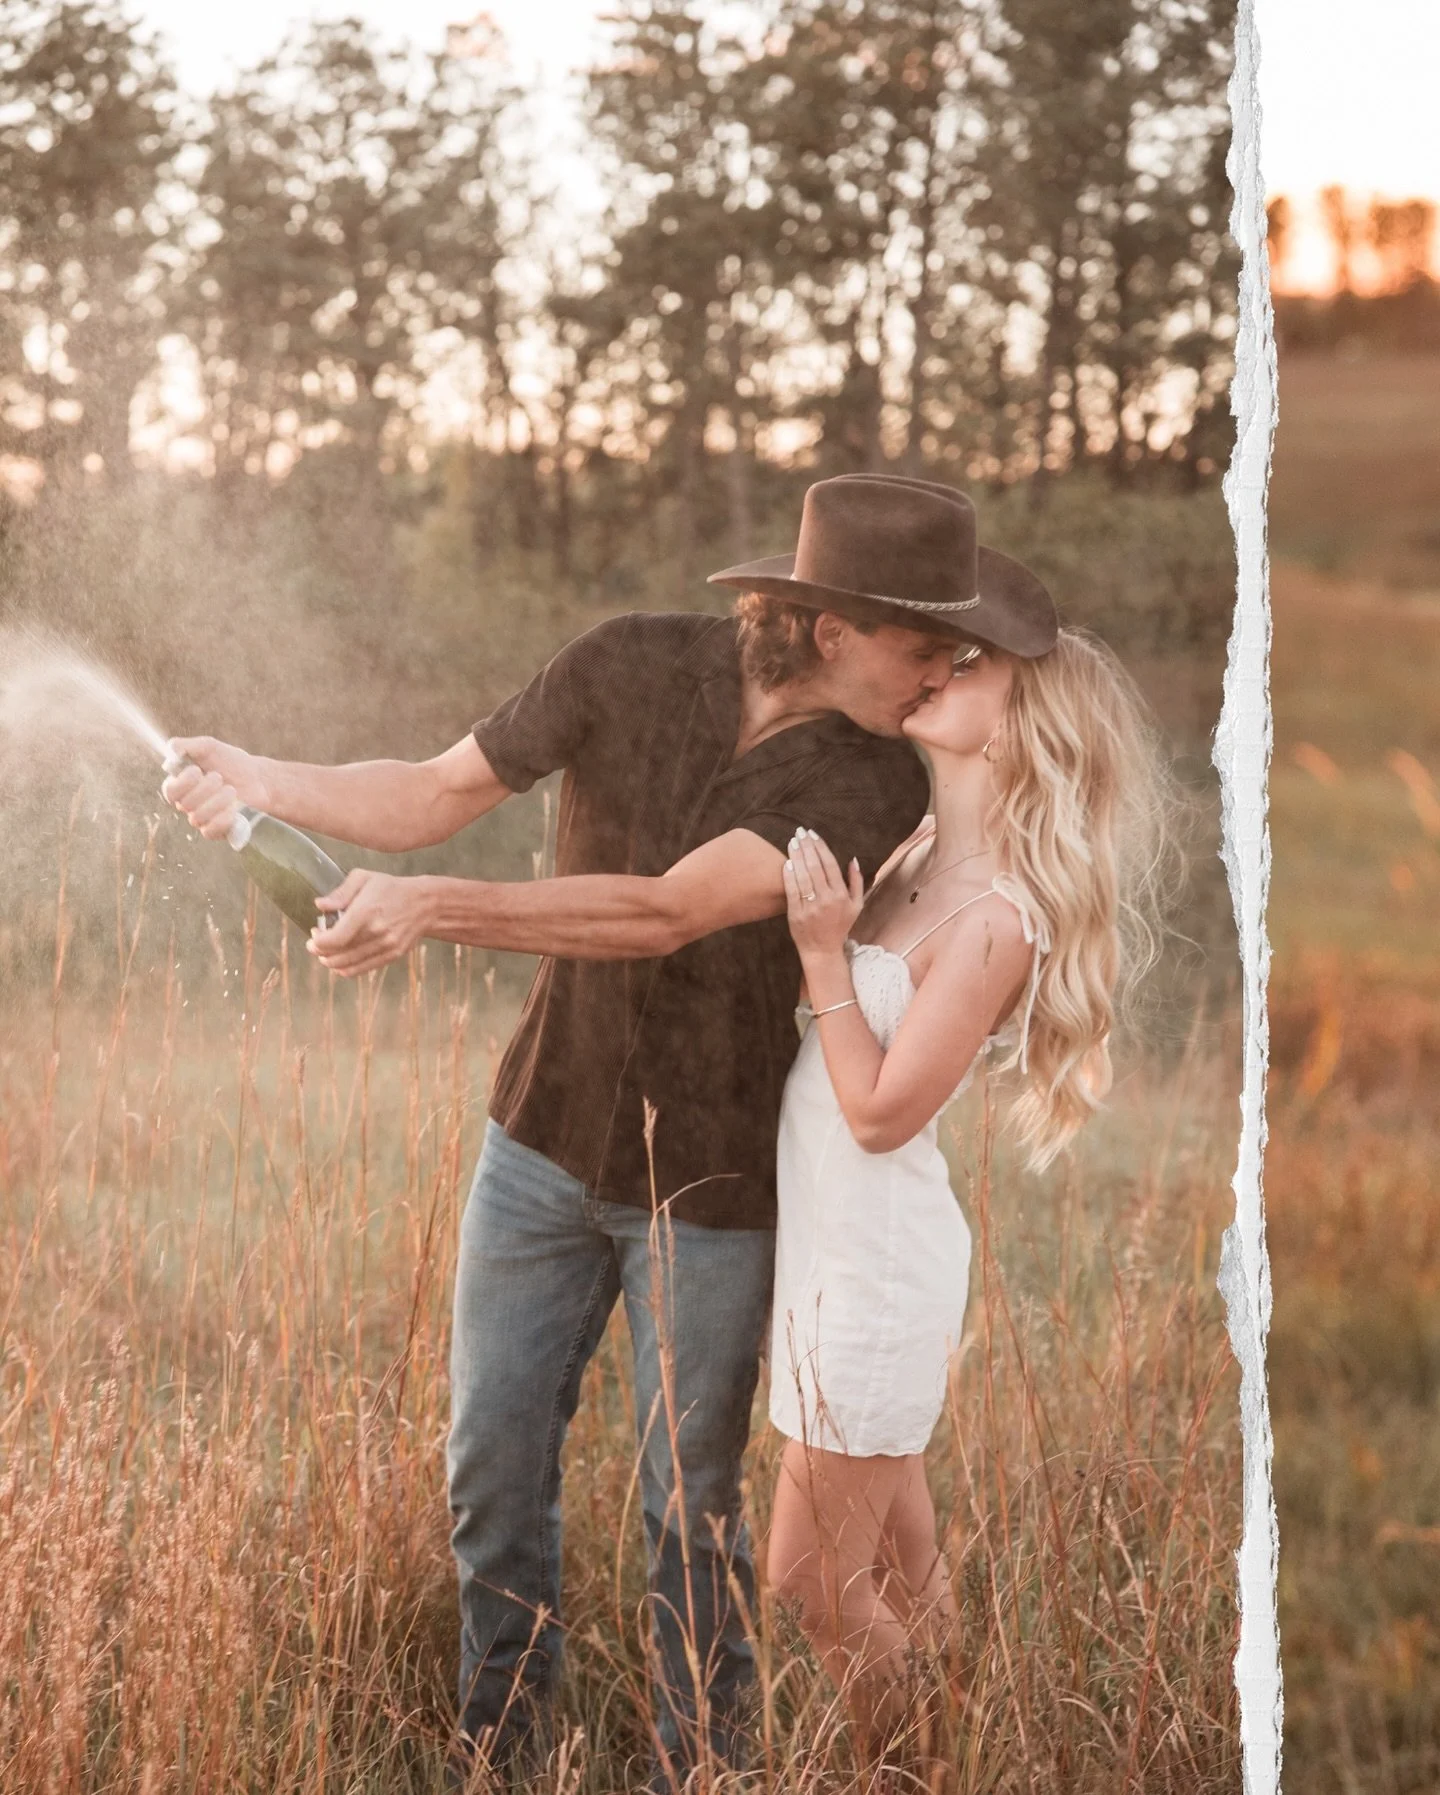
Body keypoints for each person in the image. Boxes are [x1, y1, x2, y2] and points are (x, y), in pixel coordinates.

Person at [162, 474, 1046, 1790]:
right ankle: (501, 1750)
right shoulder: (624, 660)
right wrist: (259, 772)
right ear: (830, 625)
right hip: (538, 1140)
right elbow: (426, 791)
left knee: (690, 1510)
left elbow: (669, 910)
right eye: (927, 639)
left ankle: (705, 1768)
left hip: (710, 1182)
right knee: (490, 1471)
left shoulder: (869, 776)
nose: (943, 671)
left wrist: (430, 911)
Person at [761, 599, 1179, 1767]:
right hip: (834, 1256)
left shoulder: (999, 917)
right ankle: (969, 1756)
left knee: (804, 1583)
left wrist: (816, 957)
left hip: (878, 1272)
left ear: (1019, 723)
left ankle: (922, 1770)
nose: (946, 665)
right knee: (901, 1570)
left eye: (977, 663)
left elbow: (884, 1112)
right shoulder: (912, 860)